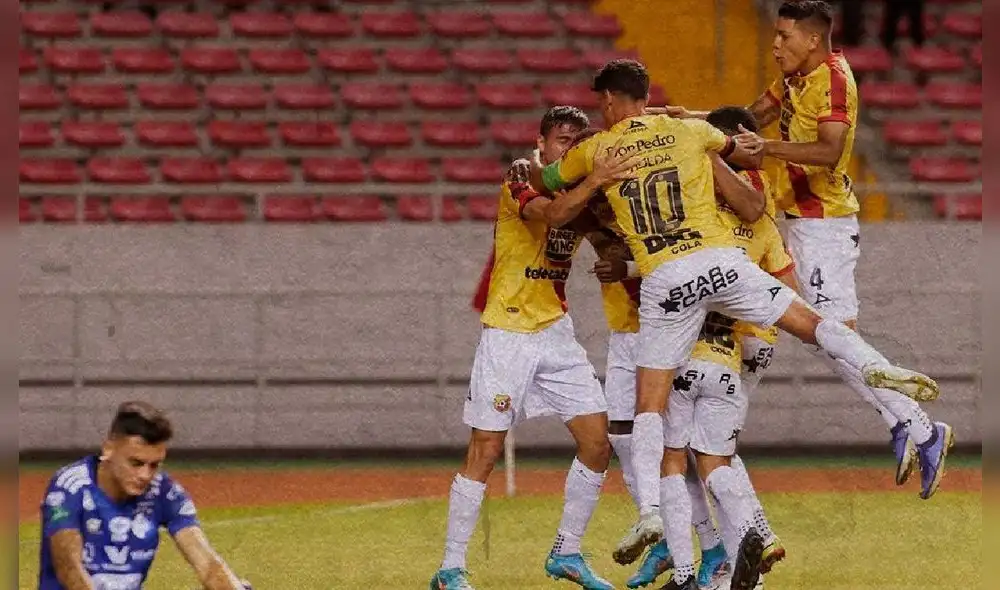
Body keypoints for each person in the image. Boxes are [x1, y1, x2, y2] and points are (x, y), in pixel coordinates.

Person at [528, 57, 938, 590]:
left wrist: (552, 172)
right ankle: (879, 367)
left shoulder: (596, 148)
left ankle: (652, 513)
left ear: (608, 102)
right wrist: (729, 146)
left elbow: (549, 177)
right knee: (810, 320)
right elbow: (740, 148)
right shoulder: (689, 131)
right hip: (719, 264)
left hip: (663, 280)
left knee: (650, 408)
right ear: (647, 94)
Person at [664, 0, 953, 501]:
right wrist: (687, 120)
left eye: (784, 37)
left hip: (825, 225)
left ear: (812, 40)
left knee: (830, 336)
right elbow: (749, 118)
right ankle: (912, 426)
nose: (775, 45)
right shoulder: (794, 78)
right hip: (795, 220)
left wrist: (765, 150)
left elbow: (829, 151)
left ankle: (920, 428)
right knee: (820, 334)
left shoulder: (834, 77)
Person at [429, 106, 639, 590]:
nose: (569, 148)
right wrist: (594, 183)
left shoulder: (584, 190)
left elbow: (609, 242)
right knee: (486, 448)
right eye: (562, 139)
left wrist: (620, 254)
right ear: (541, 142)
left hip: (556, 334)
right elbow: (554, 213)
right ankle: (451, 568)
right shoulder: (522, 174)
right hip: (508, 332)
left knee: (597, 442)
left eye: (577, 141)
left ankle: (566, 552)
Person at [37, 401, 250, 590]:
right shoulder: (70, 487)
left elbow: (208, 564)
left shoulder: (163, 492)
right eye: (136, 463)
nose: (145, 475)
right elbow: (69, 570)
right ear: (109, 448)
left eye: (154, 465)